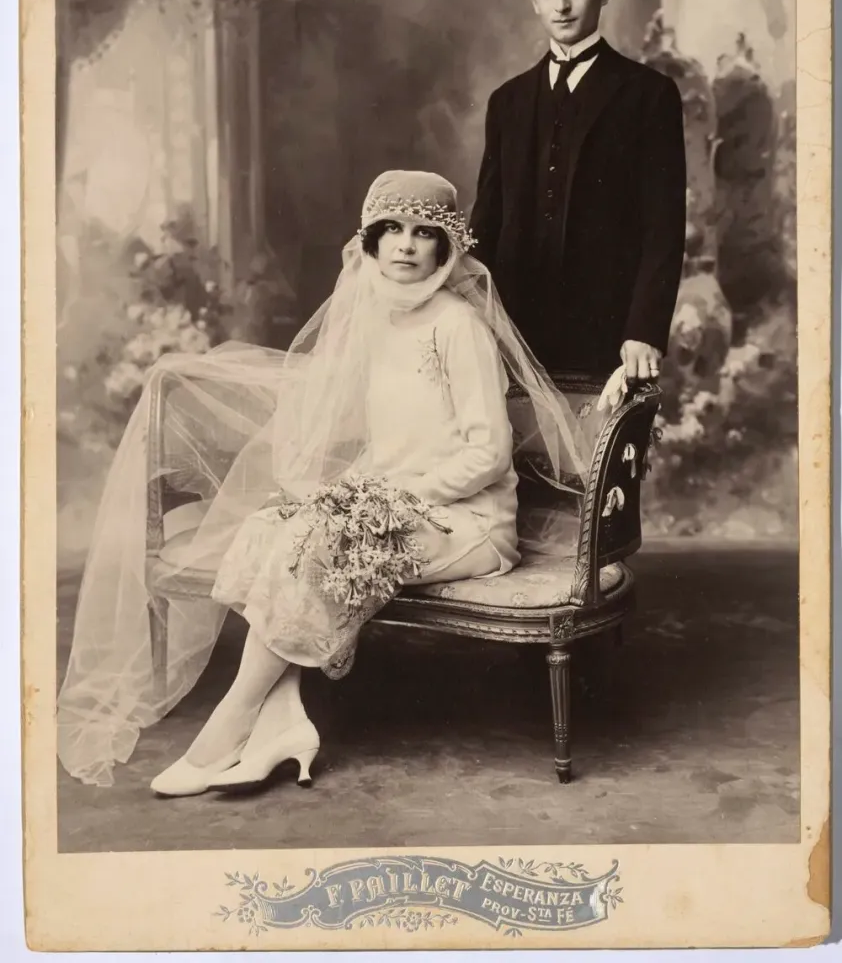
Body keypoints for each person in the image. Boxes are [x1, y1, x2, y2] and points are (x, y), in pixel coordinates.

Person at [57, 170, 593, 796]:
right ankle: (284, 721)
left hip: (467, 523)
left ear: (447, 248)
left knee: (324, 547)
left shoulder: (457, 325)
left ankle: (229, 727)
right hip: (392, 505)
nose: (405, 245)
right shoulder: (374, 318)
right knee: (270, 530)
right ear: (370, 241)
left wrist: (390, 498)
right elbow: (371, 435)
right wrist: (351, 493)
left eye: (424, 233)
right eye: (391, 229)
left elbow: (490, 454)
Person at [470, 0, 687, 385]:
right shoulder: (507, 102)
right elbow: (485, 224)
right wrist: (471, 322)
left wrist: (645, 330)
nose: (562, 5)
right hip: (511, 336)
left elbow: (664, 227)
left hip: (611, 338)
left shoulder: (648, 94)